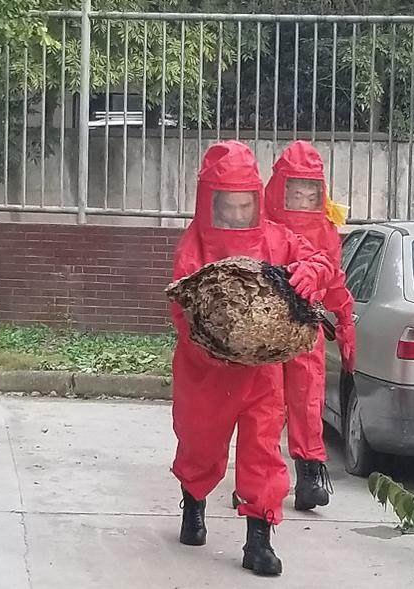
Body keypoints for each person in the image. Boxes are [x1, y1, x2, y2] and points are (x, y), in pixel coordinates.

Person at [170, 140, 336, 576]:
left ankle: (258, 540)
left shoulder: (275, 237)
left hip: (262, 374)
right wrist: (213, 351)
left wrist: (312, 271)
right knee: (199, 447)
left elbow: (321, 260)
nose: (239, 214)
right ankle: (194, 505)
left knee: (263, 453)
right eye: (230, 205)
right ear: (212, 202)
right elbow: (181, 309)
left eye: (246, 204)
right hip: (205, 373)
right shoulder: (195, 247)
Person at [264, 140, 356, 511]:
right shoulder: (262, 225)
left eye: (309, 193)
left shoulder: (326, 231)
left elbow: (334, 280)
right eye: (295, 192)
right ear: (280, 190)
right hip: (265, 326)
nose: (302, 201)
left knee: (307, 398)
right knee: (265, 404)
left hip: (306, 325)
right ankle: (258, 478)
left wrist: (346, 323)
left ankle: (309, 475)